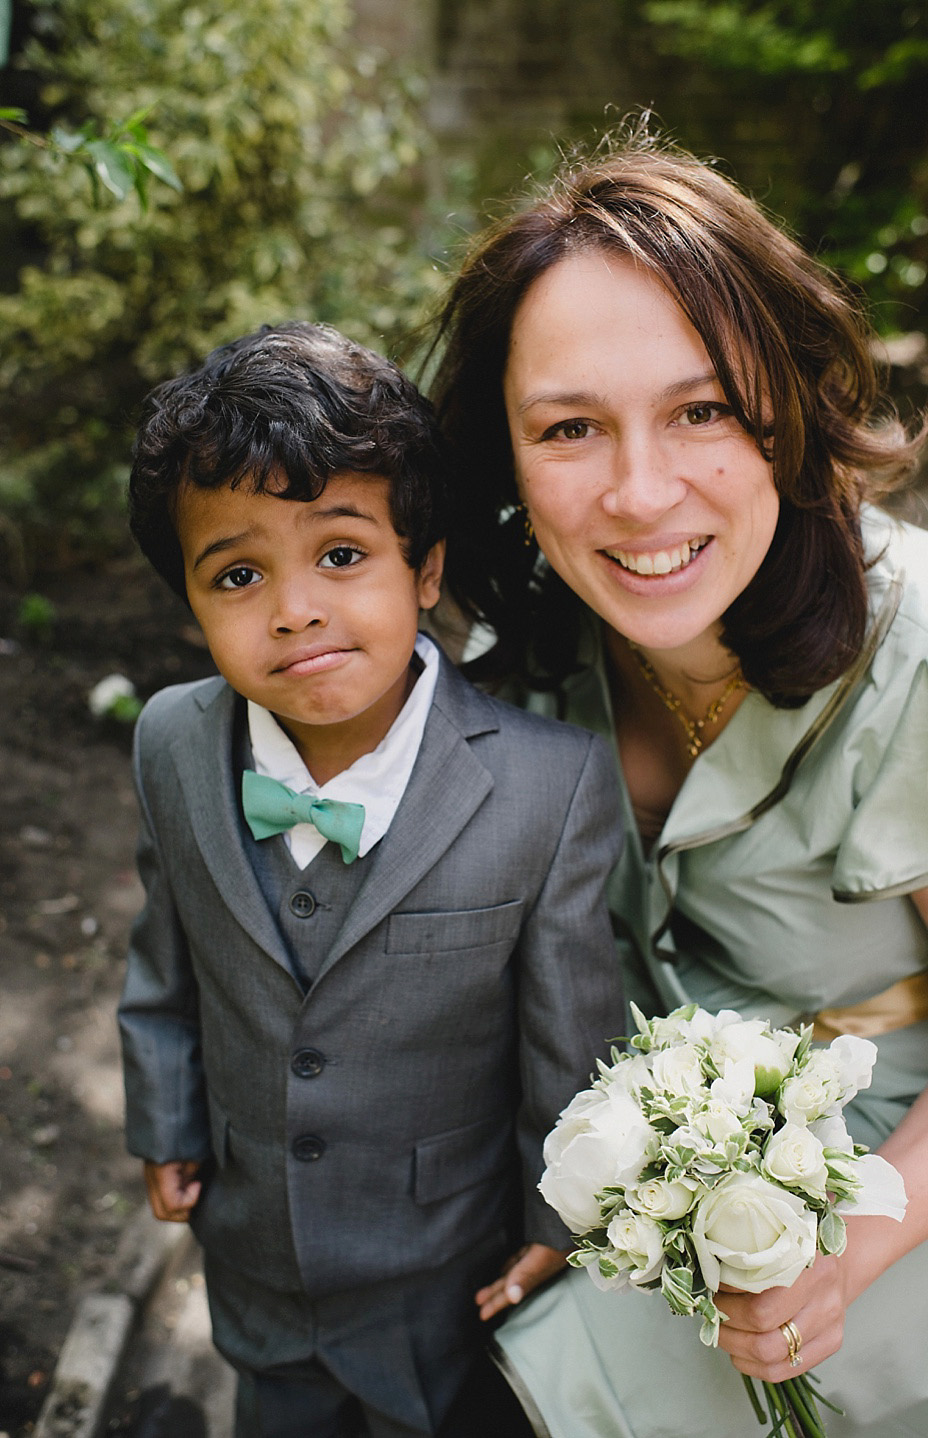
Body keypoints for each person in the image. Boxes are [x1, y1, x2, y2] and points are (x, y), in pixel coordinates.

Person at [427, 130, 928, 1436]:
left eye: (702, 408)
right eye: (570, 427)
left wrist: (847, 1255)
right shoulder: (527, 667)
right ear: (502, 451)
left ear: (784, 407)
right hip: (643, 1163)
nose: (641, 491)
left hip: (904, 1185)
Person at [118, 321, 626, 1438]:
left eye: (341, 553)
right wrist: (166, 1120)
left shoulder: (550, 786)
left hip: (445, 1276)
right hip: (258, 1259)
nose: (294, 607)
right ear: (194, 605)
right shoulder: (171, 743)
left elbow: (570, 1042)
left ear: (425, 567)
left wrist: (560, 1217)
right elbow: (165, 959)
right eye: (239, 573)